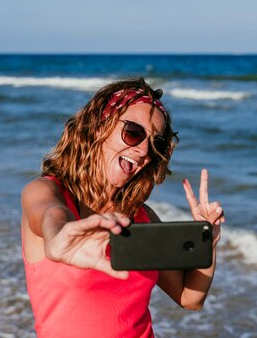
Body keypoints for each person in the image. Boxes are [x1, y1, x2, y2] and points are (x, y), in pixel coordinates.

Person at [21, 77, 225, 338]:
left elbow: (189, 297)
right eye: (133, 132)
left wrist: (208, 239)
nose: (143, 151)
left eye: (156, 143)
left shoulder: (142, 217)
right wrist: (59, 235)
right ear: (99, 126)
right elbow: (49, 213)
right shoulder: (49, 191)